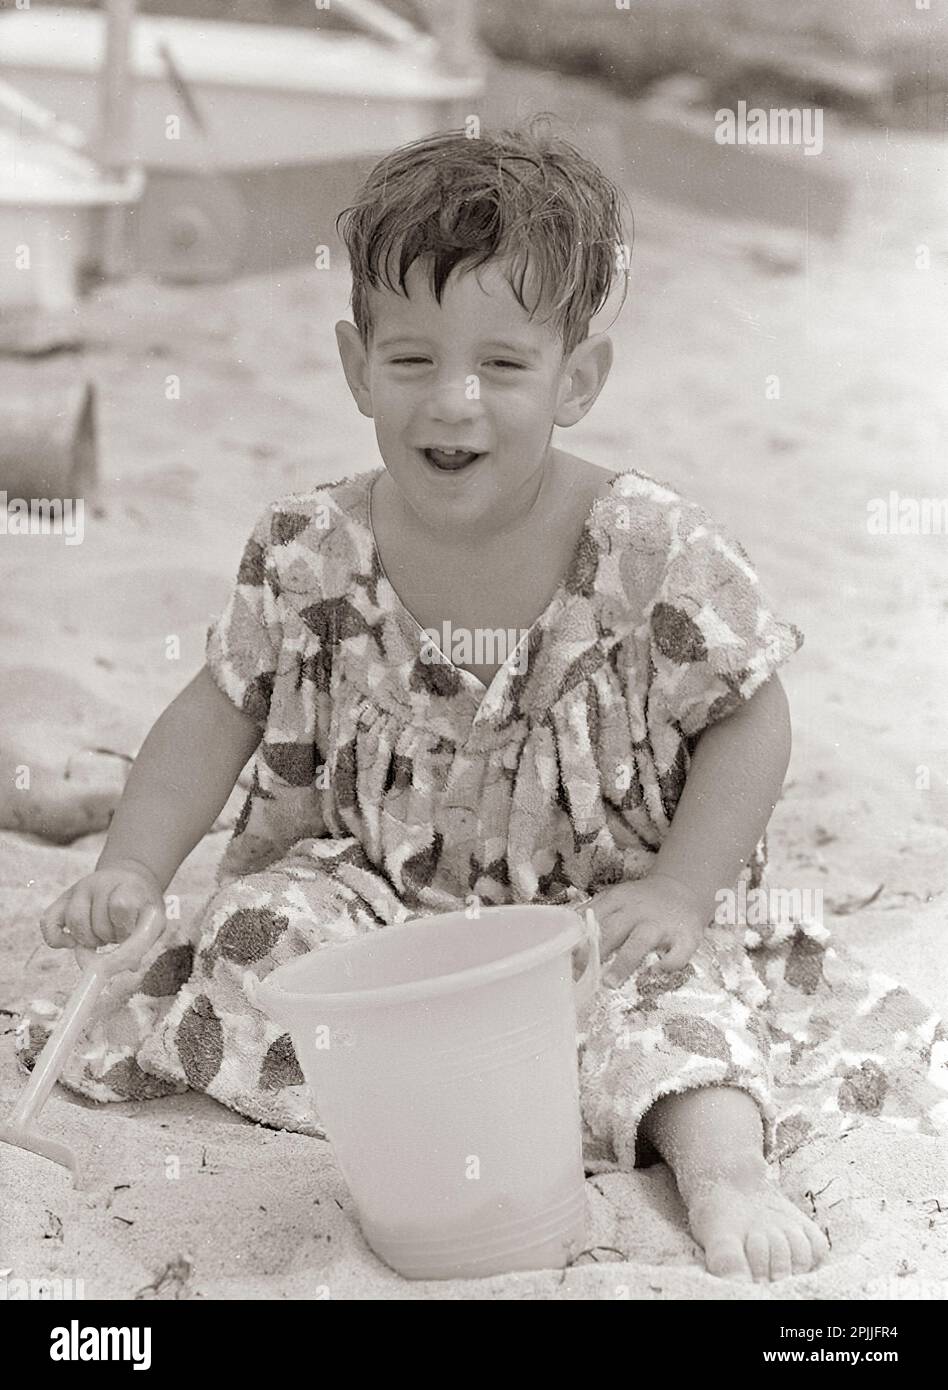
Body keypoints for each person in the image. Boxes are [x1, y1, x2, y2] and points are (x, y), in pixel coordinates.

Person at [36, 123, 834, 1282]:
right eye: (412, 361)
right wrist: (134, 867)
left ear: (577, 380)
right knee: (259, 939)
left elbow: (750, 713)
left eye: (502, 366)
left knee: (678, 1016)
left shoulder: (650, 548)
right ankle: (452, 1097)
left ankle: (724, 1177)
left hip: (590, 911)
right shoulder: (313, 549)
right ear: (358, 365)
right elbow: (219, 706)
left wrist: (678, 887)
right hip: (385, 889)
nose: (452, 403)